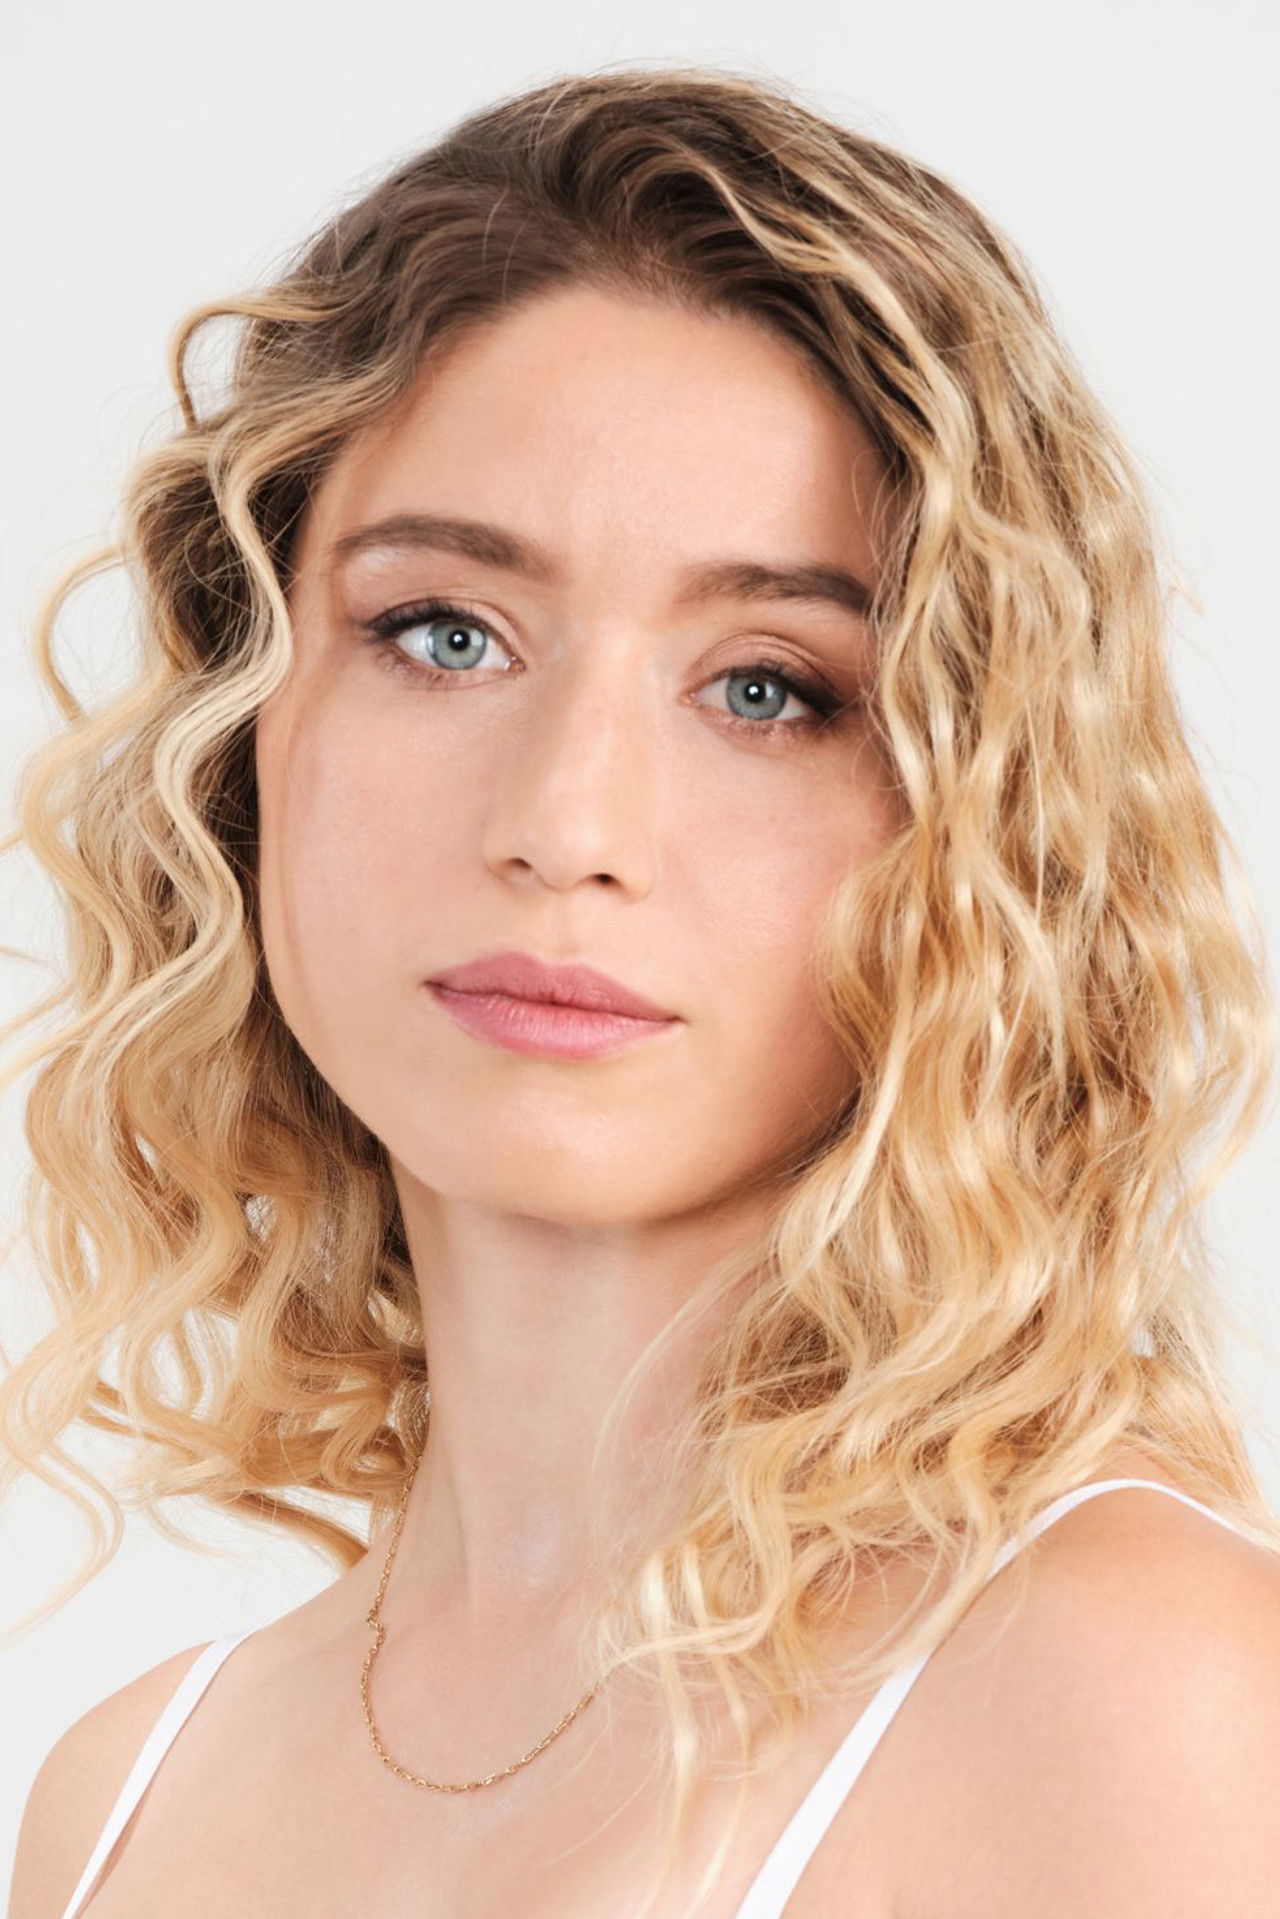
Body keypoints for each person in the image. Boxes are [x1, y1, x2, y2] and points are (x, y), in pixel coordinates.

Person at [5, 63, 1280, 1919]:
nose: (566, 824)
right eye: (446, 635)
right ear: (242, 726)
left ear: (990, 825)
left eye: (768, 688)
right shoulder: (125, 1793)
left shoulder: (1143, 1699)